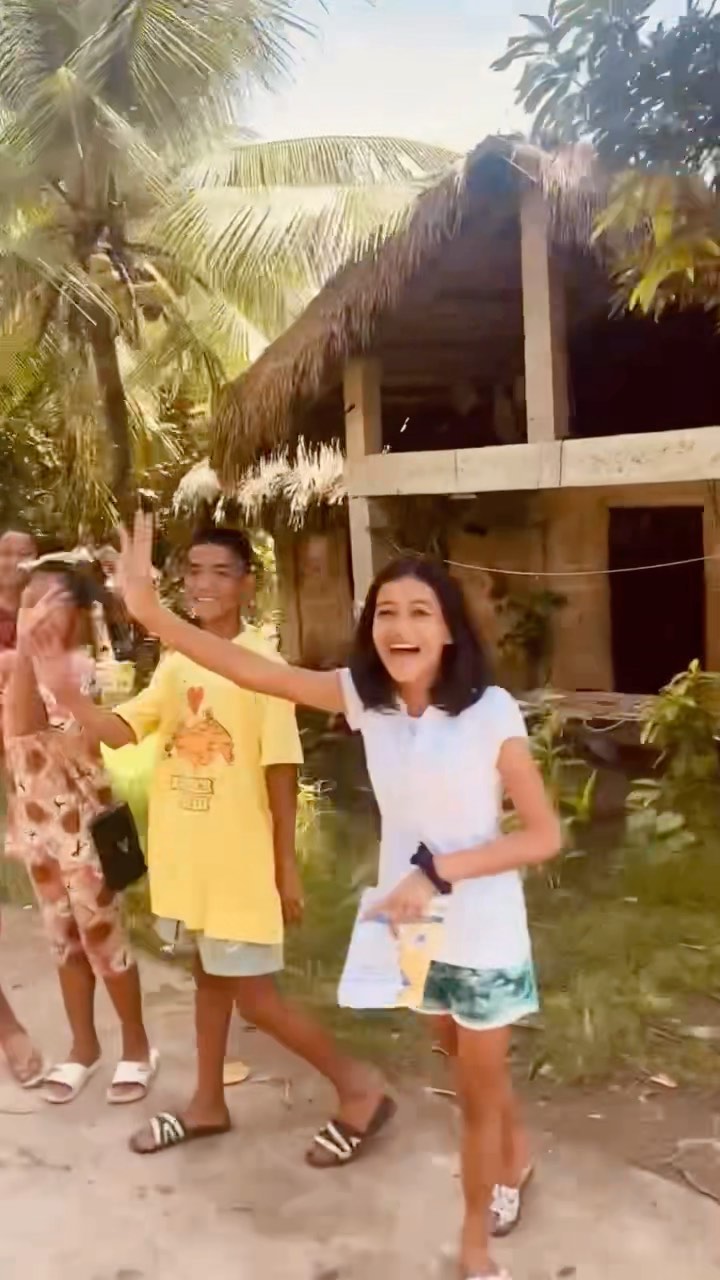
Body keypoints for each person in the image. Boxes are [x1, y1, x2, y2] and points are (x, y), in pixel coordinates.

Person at [70, 514, 560, 1280]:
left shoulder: (488, 711)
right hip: (412, 929)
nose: (400, 627)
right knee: (459, 1054)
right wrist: (152, 615)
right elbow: (251, 671)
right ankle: (517, 1153)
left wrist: (437, 872)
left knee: (475, 1086)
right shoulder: (367, 700)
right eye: (386, 612)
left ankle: (475, 1248)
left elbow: (543, 835)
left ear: (449, 630)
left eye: (420, 612)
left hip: (482, 927)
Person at [28, 527, 392, 1161]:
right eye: (193, 570)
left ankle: (359, 1087)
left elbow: (281, 768)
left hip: (238, 866)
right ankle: (207, 1104)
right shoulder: (177, 663)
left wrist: (285, 865)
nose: (203, 583)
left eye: (220, 572)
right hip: (189, 864)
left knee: (256, 998)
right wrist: (64, 696)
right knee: (209, 981)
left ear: (248, 584)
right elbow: (121, 730)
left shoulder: (261, 663)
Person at [3, 555, 156, 1105]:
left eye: (52, 601)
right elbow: (13, 744)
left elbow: (28, 730)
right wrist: (22, 655)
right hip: (38, 831)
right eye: (30, 600)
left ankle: (137, 1048)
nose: (38, 612)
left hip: (85, 829)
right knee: (63, 942)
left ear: (76, 613)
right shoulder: (14, 663)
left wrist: (28, 658)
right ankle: (83, 1048)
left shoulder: (77, 668)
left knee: (103, 940)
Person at [0, 528, 44, 1088]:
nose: (12, 562)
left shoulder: (50, 610)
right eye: (4, 551)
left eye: (22, 552)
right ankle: (8, 1028)